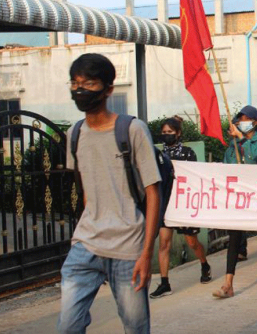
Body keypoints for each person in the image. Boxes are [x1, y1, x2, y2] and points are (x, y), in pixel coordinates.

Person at [59, 54, 160, 333]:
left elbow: (153, 192)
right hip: (86, 244)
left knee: (135, 327)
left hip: (129, 248)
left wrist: (146, 252)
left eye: (89, 83)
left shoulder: (132, 129)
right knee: (67, 325)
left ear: (108, 89)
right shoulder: (75, 134)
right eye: (75, 83)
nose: (80, 90)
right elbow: (88, 190)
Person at [211, 106, 257, 299]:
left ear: (255, 122)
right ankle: (228, 284)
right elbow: (227, 170)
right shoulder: (232, 147)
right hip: (239, 199)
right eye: (240, 120)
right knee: (234, 238)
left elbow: (254, 159)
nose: (243, 123)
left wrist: (243, 140)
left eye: (247, 119)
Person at [150, 117, 211, 299]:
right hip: (165, 204)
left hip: (183, 204)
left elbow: (194, 176)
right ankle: (165, 282)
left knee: (192, 242)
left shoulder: (188, 153)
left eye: (170, 132)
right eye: (164, 133)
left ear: (178, 133)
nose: (167, 135)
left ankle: (204, 264)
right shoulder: (158, 155)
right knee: (164, 244)